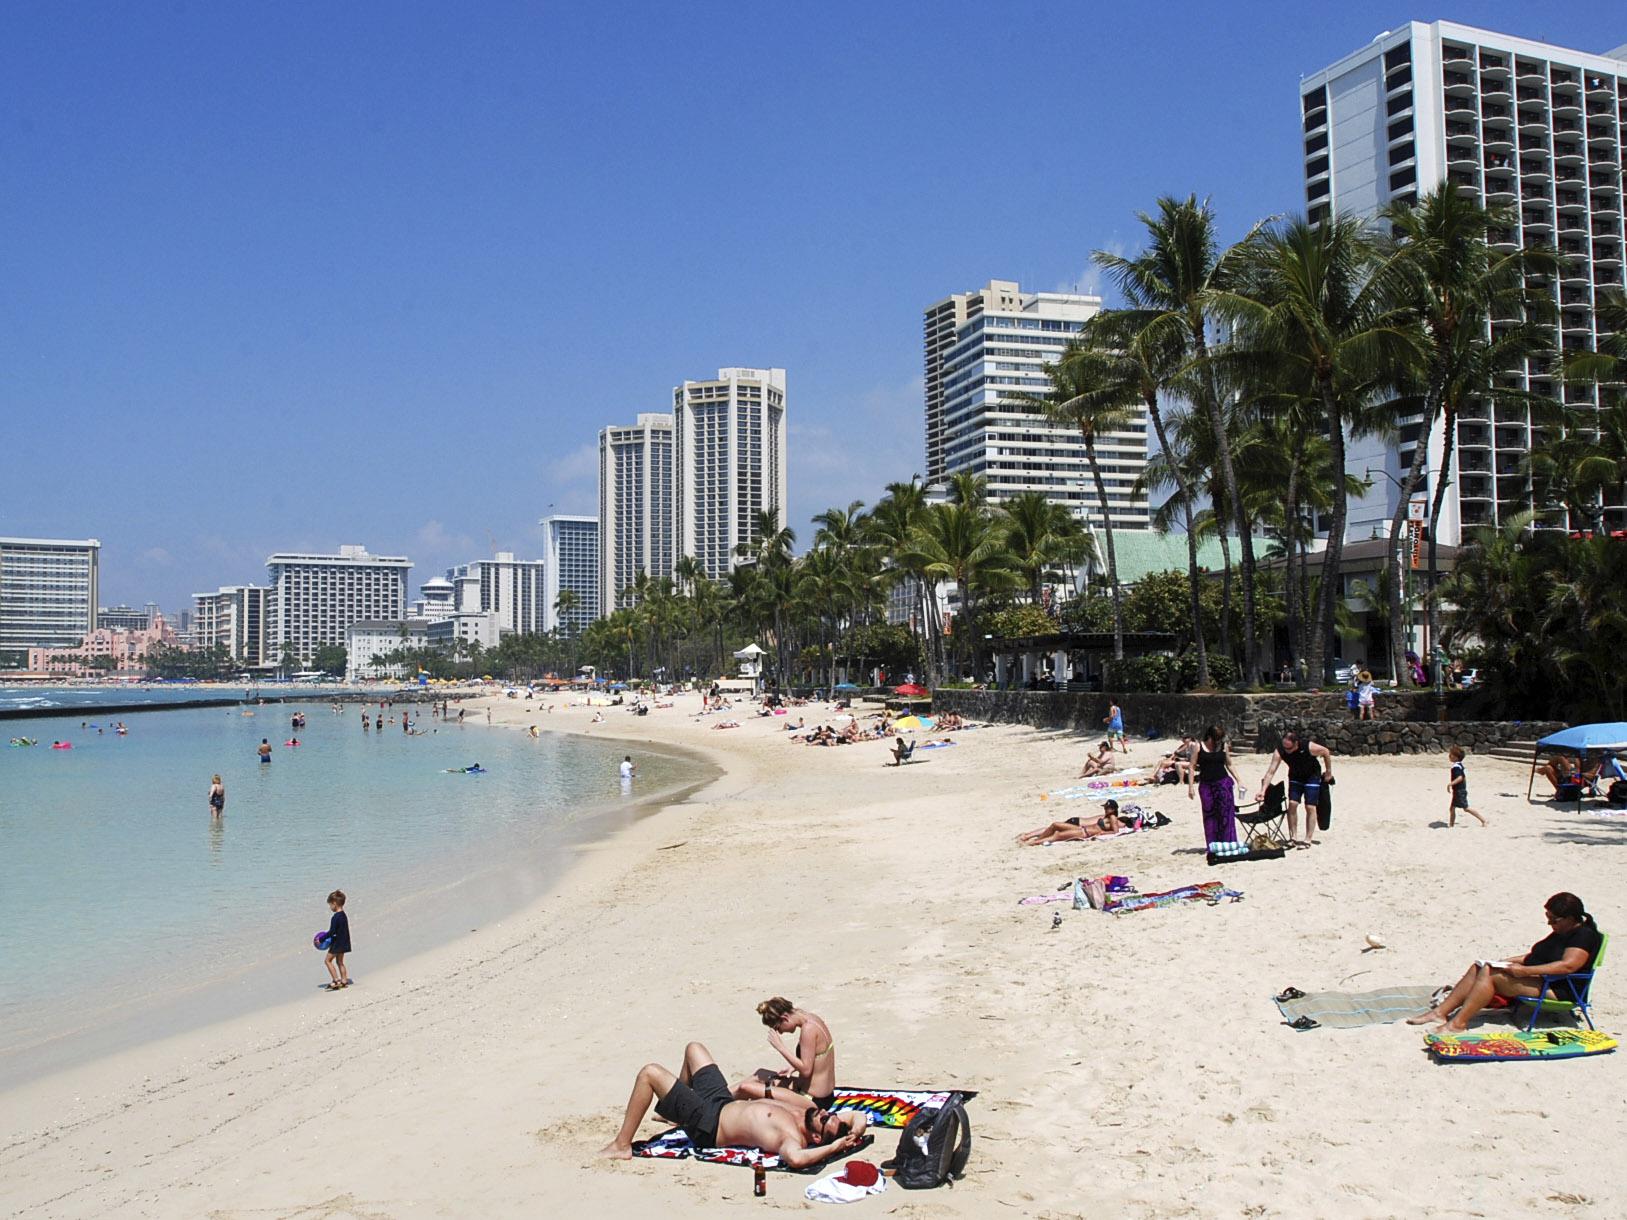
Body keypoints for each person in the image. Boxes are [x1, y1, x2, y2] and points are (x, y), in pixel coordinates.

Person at [598, 1040, 866, 1165]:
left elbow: (796, 1159)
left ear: (818, 1138)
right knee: (694, 1049)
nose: (823, 1114)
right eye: (827, 1114)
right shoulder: (807, 1110)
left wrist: (833, 1149)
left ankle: (622, 1145)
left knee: (650, 1073)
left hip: (709, 1125)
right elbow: (857, 1117)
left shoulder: (791, 1138)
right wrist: (851, 1134)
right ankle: (678, 1113)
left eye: (824, 1120)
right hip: (721, 1101)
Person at [1407, 893, 1603, 1032]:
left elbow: (1568, 966)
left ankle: (1458, 1024)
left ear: (1570, 918)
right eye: (1548, 919)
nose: (1550, 924)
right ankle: (1440, 1013)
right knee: (1480, 967)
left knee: (1491, 975)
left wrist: (1523, 972)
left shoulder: (1583, 936)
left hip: (1561, 990)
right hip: (1545, 980)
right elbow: (1537, 956)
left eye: (1554, 920)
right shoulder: (1563, 931)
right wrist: (1506, 962)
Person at [751, 997, 839, 1109]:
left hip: (813, 1100)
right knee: (760, 1074)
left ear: (785, 1018)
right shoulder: (813, 1019)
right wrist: (793, 1067)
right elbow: (817, 1059)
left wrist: (780, 1047)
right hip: (825, 1094)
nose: (781, 1032)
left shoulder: (808, 1030)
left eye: (778, 1028)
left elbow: (806, 1070)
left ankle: (723, 1103)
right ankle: (723, 1098)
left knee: (747, 1088)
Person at [1256, 730, 1333, 848]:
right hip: (1295, 776)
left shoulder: (1308, 746)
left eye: (1289, 748)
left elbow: (1326, 752)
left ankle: (1308, 839)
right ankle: (1293, 837)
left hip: (1312, 776)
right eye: (1284, 747)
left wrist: (1328, 772)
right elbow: (1270, 772)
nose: (1287, 751)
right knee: (1292, 804)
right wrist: (1263, 791)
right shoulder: (1280, 751)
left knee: (1310, 806)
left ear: (1296, 744)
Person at [1189, 725, 1243, 845]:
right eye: (1216, 739)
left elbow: (1229, 764)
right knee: (1209, 815)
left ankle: (1228, 842)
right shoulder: (1198, 746)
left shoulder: (1223, 746)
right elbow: (1192, 766)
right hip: (1206, 785)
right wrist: (1190, 787)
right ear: (1209, 737)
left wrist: (1239, 780)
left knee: (1226, 814)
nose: (1218, 742)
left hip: (1223, 783)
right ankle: (1213, 843)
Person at [1017, 799, 1125, 845]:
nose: (1105, 810)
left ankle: (1032, 843)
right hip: (1081, 829)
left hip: (1084, 833)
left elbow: (1115, 831)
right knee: (1055, 825)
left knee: (1057, 835)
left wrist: (1102, 833)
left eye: (1107, 808)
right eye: (1105, 808)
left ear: (1113, 809)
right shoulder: (1108, 816)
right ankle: (1035, 840)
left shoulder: (1113, 818)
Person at [1446, 746, 1488, 827]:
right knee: (1452, 808)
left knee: (1466, 808)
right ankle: (1451, 825)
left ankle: (1483, 820)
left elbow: (1460, 777)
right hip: (1459, 790)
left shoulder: (1456, 767)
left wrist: (1450, 784)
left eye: (1451, 755)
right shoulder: (1459, 765)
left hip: (1459, 791)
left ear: (1455, 757)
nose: (1449, 756)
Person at [323, 889, 352, 990]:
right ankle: (344, 980)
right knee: (340, 962)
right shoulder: (344, 915)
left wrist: (322, 939)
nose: (330, 907)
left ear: (334, 904)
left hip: (337, 944)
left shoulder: (335, 917)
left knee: (327, 961)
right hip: (344, 942)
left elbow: (332, 932)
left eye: (330, 905)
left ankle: (336, 980)